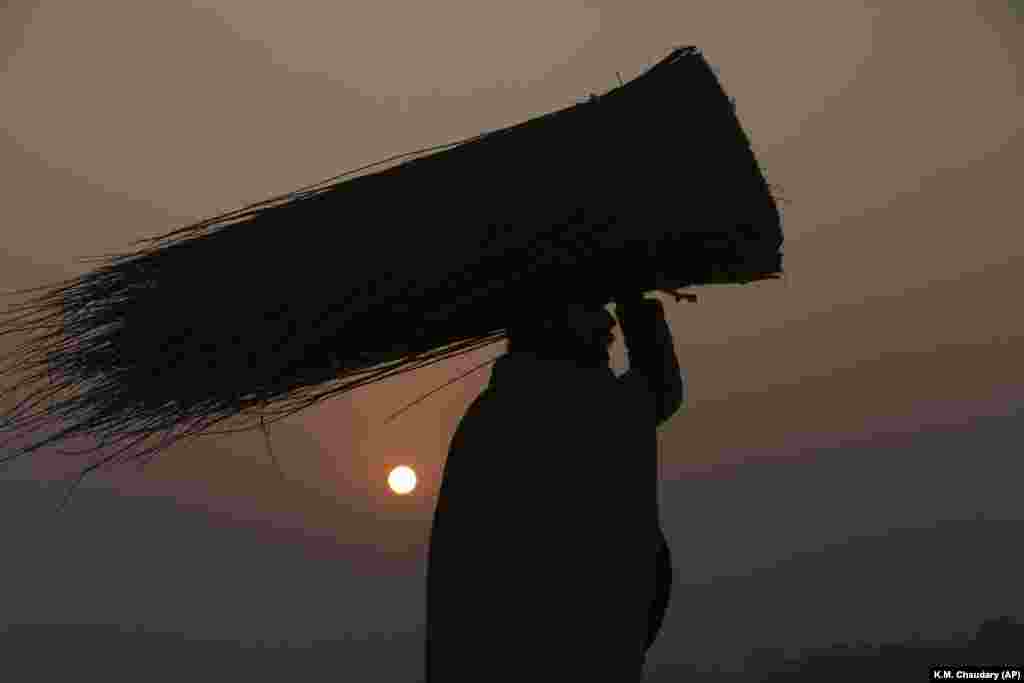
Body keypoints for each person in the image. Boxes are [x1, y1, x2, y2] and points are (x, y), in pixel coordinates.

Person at [425, 290, 684, 681]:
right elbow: (659, 390)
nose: (607, 326)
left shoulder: (488, 417)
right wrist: (634, 301)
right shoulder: (594, 408)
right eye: (594, 314)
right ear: (552, 327)